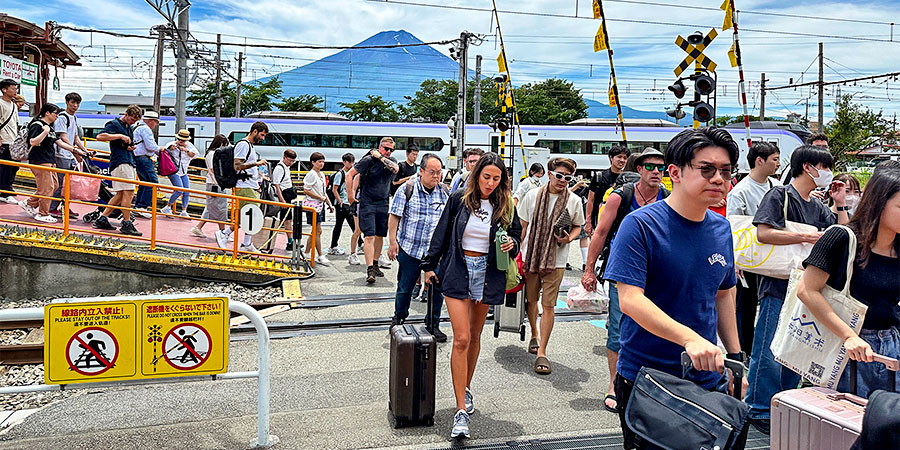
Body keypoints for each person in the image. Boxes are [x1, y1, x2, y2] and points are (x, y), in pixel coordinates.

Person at [604, 127, 747, 449]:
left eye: (725, 171)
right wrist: (689, 338)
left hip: (708, 375)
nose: (718, 179)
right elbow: (630, 300)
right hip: (649, 378)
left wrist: (737, 358)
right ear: (675, 173)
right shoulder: (640, 225)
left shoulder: (721, 227)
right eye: (706, 169)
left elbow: (724, 293)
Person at [745, 144, 850, 434]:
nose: (827, 174)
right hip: (778, 283)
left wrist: (839, 202)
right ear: (809, 167)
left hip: (805, 287)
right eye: (825, 167)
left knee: (794, 349)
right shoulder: (780, 195)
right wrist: (805, 236)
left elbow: (844, 234)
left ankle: (785, 402)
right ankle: (759, 407)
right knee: (767, 347)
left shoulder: (817, 205)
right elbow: (763, 232)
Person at [421, 152, 521, 439]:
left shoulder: (506, 205)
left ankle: (464, 387)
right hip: (458, 270)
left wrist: (511, 244)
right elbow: (441, 233)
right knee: (462, 338)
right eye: (486, 177)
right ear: (476, 176)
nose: (490, 183)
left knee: (475, 337)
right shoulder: (459, 200)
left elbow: (516, 237)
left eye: (496, 178)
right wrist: (428, 266)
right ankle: (460, 410)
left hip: (488, 273)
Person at [797, 165, 900, 398]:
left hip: (892, 347)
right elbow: (807, 290)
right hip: (845, 349)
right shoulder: (842, 237)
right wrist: (849, 336)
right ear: (879, 204)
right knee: (846, 427)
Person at [581, 147, 669, 413]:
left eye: (660, 167)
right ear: (639, 169)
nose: (656, 172)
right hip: (623, 272)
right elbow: (600, 233)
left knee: (654, 328)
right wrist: (589, 270)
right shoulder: (622, 196)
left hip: (657, 273)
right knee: (619, 329)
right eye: (650, 167)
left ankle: (647, 384)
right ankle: (614, 384)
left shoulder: (668, 198)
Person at [518, 157, 584, 374]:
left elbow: (577, 226)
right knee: (531, 299)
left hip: (556, 259)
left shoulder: (573, 200)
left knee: (549, 305)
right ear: (549, 174)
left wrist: (569, 239)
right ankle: (534, 333)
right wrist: (518, 254)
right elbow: (523, 227)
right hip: (531, 256)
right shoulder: (532, 195)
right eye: (559, 175)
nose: (563, 180)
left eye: (568, 177)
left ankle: (542, 351)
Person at [726, 142, 781, 356]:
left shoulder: (776, 186)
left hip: (773, 255)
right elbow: (733, 227)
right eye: (774, 159)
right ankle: (744, 351)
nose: (777, 164)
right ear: (760, 161)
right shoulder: (740, 191)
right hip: (749, 257)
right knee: (746, 306)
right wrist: (736, 261)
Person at [388, 153, 450, 341]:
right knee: (405, 288)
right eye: (432, 172)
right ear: (421, 171)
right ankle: (399, 319)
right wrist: (392, 242)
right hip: (410, 248)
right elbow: (394, 216)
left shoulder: (444, 192)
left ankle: (433, 324)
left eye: (439, 172)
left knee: (436, 290)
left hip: (435, 253)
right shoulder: (407, 189)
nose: (436, 176)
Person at [347, 137, 399, 284]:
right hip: (368, 202)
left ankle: (375, 263)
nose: (388, 152)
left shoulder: (390, 160)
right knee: (369, 235)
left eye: (391, 149)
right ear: (379, 146)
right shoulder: (368, 160)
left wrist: (381, 156)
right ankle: (369, 268)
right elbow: (350, 174)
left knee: (380, 235)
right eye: (386, 148)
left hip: (383, 202)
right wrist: (350, 195)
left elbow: (395, 169)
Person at [215, 121, 269, 253]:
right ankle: (232, 237)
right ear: (254, 131)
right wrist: (256, 163)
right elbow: (237, 166)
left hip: (248, 185)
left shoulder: (248, 145)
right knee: (252, 215)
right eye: (262, 135)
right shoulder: (244, 145)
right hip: (244, 186)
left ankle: (241, 240)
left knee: (246, 216)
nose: (263, 138)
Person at [20, 103, 77, 223]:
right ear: (47, 113)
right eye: (55, 113)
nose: (57, 116)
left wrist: (76, 151)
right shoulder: (38, 125)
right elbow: (33, 142)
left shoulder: (50, 127)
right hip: (40, 160)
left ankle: (29, 203)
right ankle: (42, 213)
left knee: (54, 186)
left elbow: (60, 142)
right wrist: (44, 132)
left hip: (50, 160)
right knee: (47, 187)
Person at [93, 104, 143, 236]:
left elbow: (119, 144)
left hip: (126, 159)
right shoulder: (115, 124)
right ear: (126, 115)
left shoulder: (128, 127)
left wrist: (128, 147)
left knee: (121, 194)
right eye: (132, 119)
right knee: (129, 193)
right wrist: (120, 136)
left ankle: (103, 218)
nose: (133, 122)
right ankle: (126, 223)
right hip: (121, 162)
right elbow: (100, 136)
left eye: (135, 121)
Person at [48, 92, 90, 219]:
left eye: (77, 103)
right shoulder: (62, 117)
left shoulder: (74, 118)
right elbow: (63, 137)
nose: (75, 105)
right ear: (67, 102)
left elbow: (76, 138)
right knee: (61, 183)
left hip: (69, 155)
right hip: (61, 154)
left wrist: (84, 150)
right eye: (73, 102)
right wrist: (75, 150)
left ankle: (64, 207)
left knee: (69, 184)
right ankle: (53, 208)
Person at [585, 145, 631, 236]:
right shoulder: (599, 176)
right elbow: (590, 200)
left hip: (620, 222)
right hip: (600, 221)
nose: (622, 160)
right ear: (611, 158)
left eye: (625, 158)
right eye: (619, 157)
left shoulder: (628, 178)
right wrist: (588, 222)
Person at [191, 134, 230, 238]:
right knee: (220, 208)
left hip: (213, 183)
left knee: (211, 207)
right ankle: (222, 233)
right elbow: (215, 169)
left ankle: (199, 228)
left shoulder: (211, 153)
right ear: (221, 144)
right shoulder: (214, 154)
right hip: (216, 184)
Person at [132, 110, 165, 218]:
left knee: (144, 182)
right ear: (151, 121)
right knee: (152, 181)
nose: (156, 125)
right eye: (156, 122)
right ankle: (142, 206)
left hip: (137, 157)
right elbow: (151, 146)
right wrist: (160, 149)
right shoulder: (145, 129)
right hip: (144, 158)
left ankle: (138, 206)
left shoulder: (138, 127)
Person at [303, 152, 333, 265]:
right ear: (313, 162)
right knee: (318, 231)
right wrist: (320, 197)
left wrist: (329, 204)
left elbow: (324, 192)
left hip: (320, 205)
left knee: (315, 231)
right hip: (313, 205)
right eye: (319, 162)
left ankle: (306, 253)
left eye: (323, 161)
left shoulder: (321, 174)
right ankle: (320, 255)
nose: (322, 164)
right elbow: (306, 190)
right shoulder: (311, 174)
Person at [160, 129, 197, 217]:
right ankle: (168, 207)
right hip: (173, 170)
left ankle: (184, 210)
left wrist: (185, 150)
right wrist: (171, 149)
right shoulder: (171, 144)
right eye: (180, 140)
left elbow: (194, 155)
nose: (181, 142)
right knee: (179, 189)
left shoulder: (190, 146)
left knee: (186, 191)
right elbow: (163, 151)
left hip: (184, 171)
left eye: (183, 140)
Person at [328, 152, 356, 257]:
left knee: (350, 224)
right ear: (344, 162)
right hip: (342, 203)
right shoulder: (340, 174)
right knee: (342, 224)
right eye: (350, 162)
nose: (352, 164)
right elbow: (334, 189)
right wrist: (340, 201)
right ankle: (333, 246)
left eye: (353, 162)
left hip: (347, 202)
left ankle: (360, 243)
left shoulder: (352, 173)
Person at [271, 149, 298, 250]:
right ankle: (290, 242)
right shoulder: (279, 168)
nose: (291, 163)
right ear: (284, 157)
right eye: (289, 160)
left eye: (293, 161)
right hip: (283, 197)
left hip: (287, 196)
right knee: (286, 220)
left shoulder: (286, 167)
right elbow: (276, 184)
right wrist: (282, 200)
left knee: (288, 220)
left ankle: (290, 241)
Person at [0, 79, 20, 204]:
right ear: (4, 90)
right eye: (13, 88)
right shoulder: (0, 103)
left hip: (13, 141)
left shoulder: (13, 105)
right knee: (5, 168)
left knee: (14, 167)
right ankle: (4, 192)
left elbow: (15, 123)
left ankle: (8, 188)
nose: (15, 91)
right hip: (4, 141)